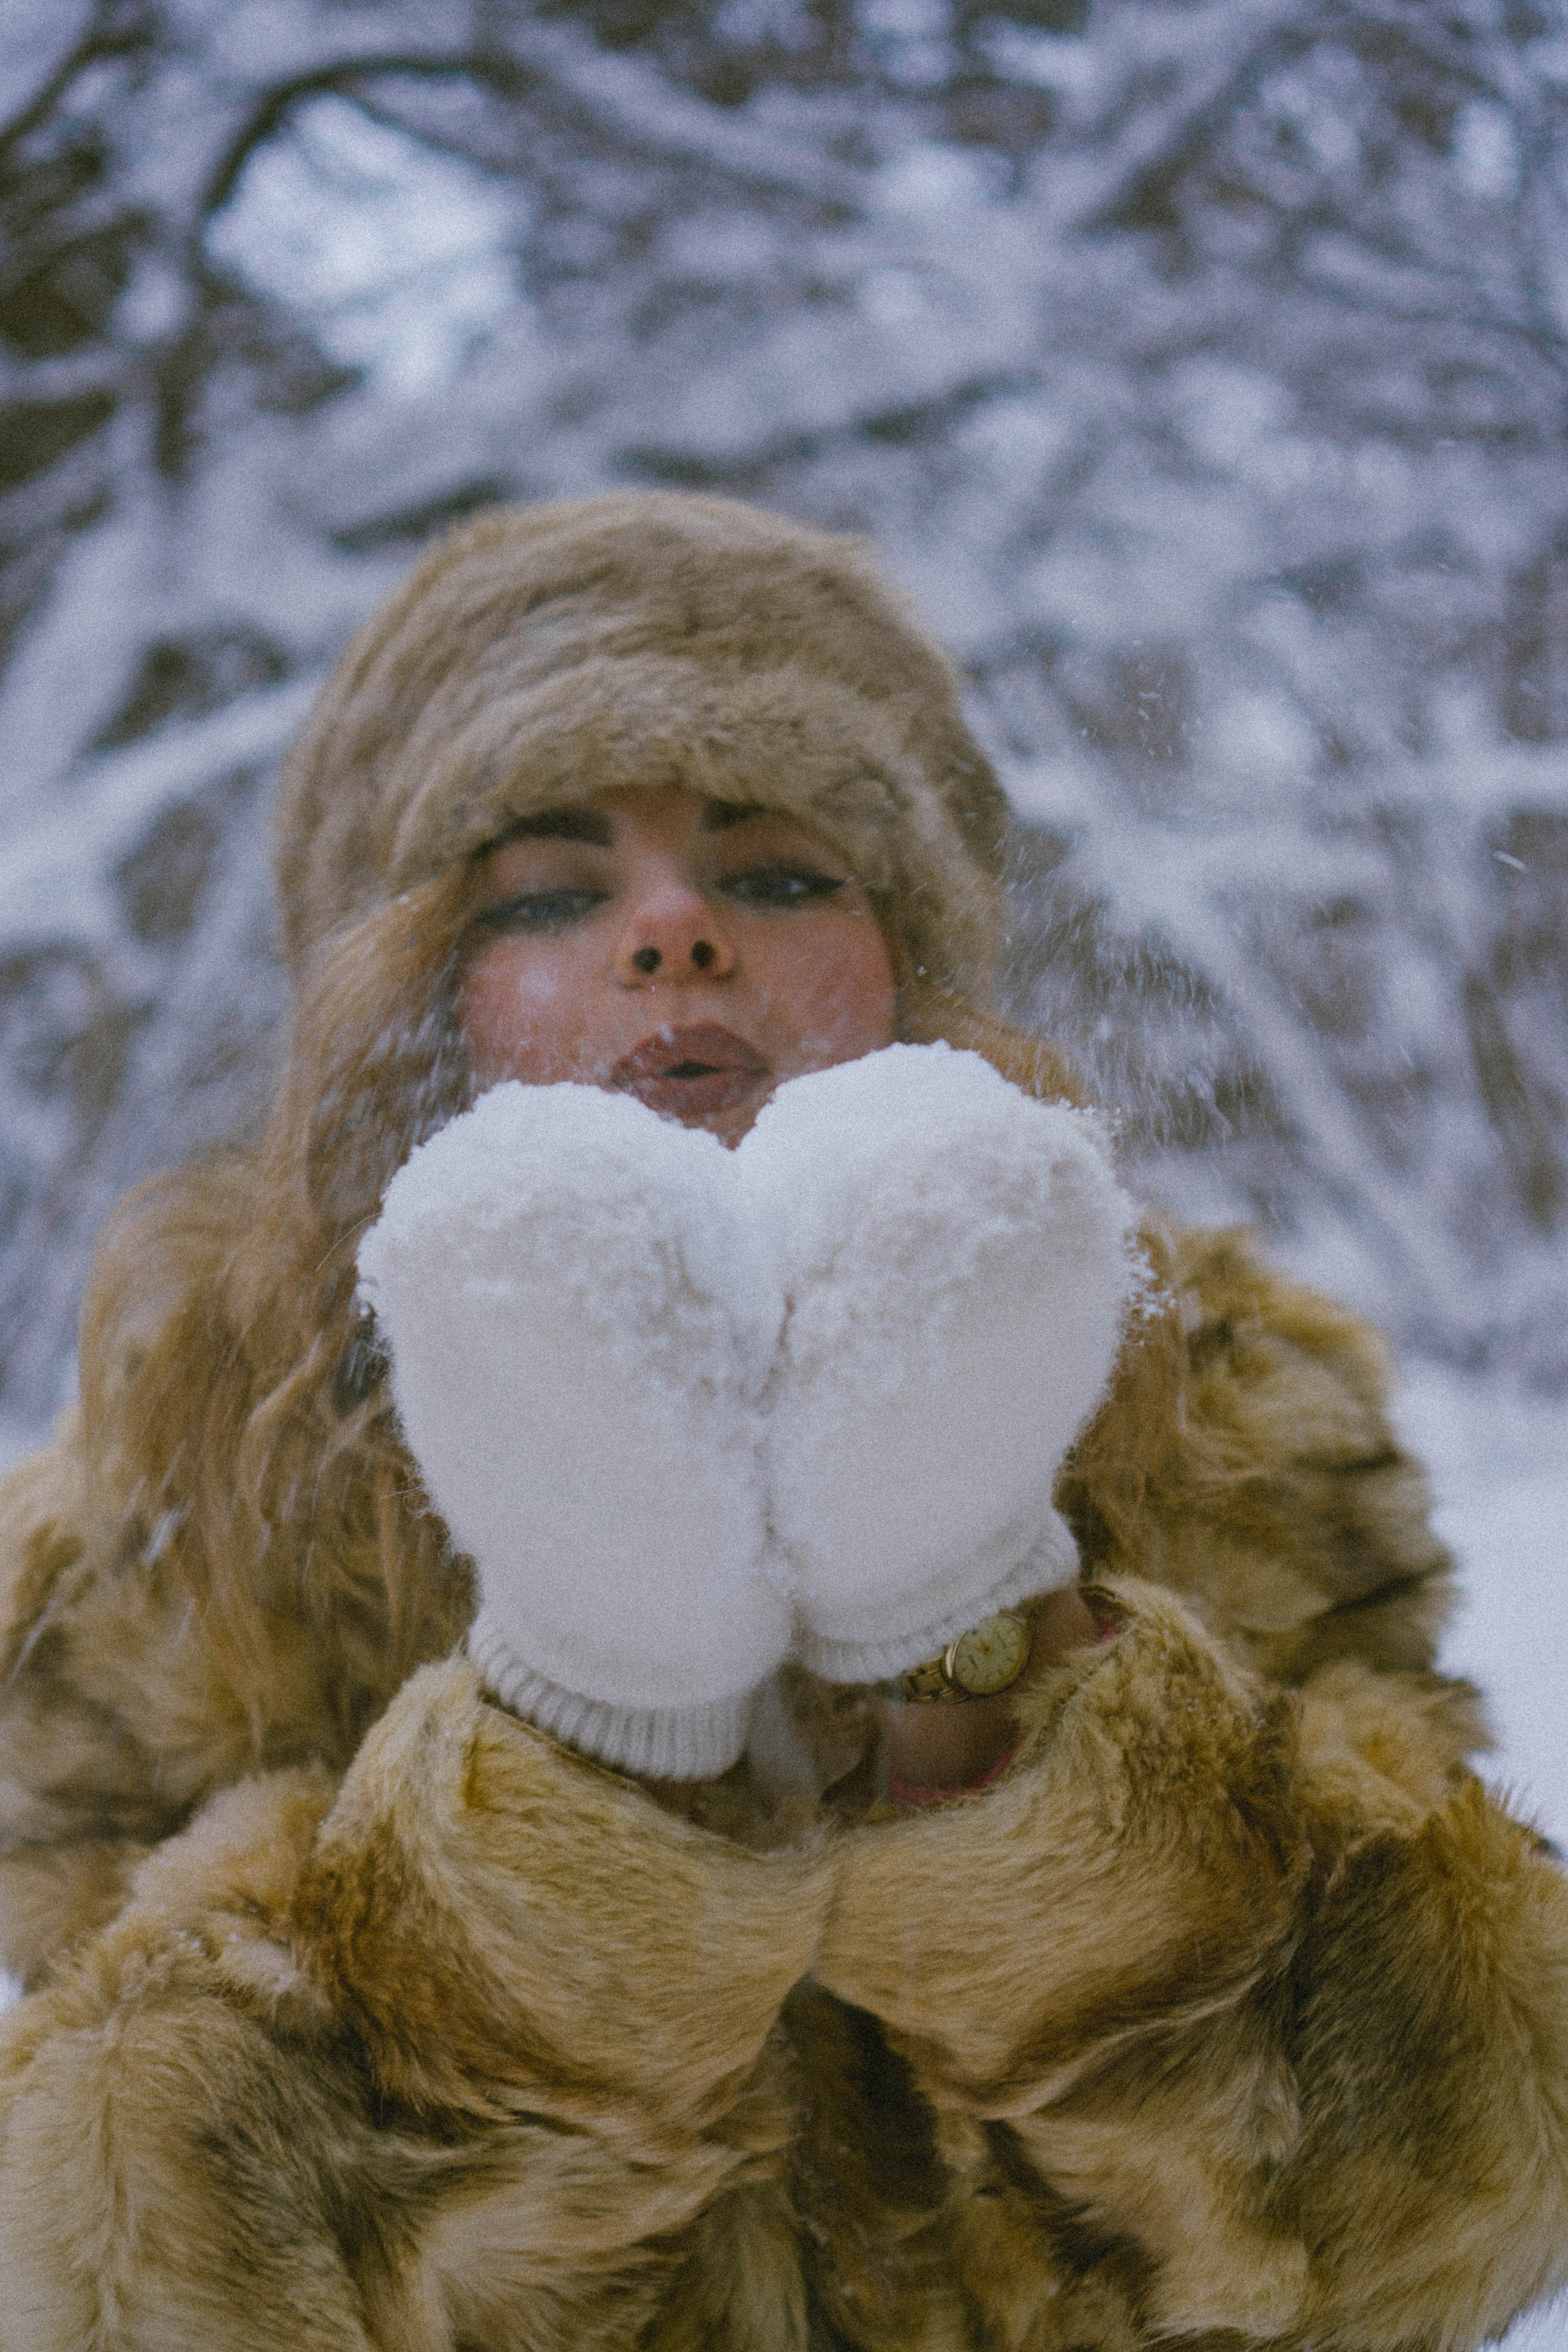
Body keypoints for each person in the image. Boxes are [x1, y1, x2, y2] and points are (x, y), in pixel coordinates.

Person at [0, 492, 1562, 2351]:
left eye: (780, 871)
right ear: (416, 1001)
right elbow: (119, 2280)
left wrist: (976, 1624)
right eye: (552, 894)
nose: (671, 932)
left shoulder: (1210, 1414)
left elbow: (1447, 2204)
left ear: (913, 959)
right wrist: (600, 1710)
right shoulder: (178, 1513)